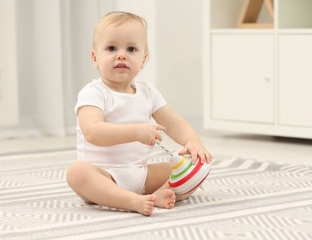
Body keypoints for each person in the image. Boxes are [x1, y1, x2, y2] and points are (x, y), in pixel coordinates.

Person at [66, 11, 212, 216]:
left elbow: (174, 123)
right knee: (76, 172)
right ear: (95, 57)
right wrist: (135, 132)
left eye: (131, 49)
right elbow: (92, 131)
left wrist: (193, 141)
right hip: (103, 176)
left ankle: (159, 195)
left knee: (194, 168)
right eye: (111, 48)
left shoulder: (148, 92)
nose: (121, 55)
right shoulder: (93, 93)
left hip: (141, 175)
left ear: (143, 60)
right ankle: (132, 201)